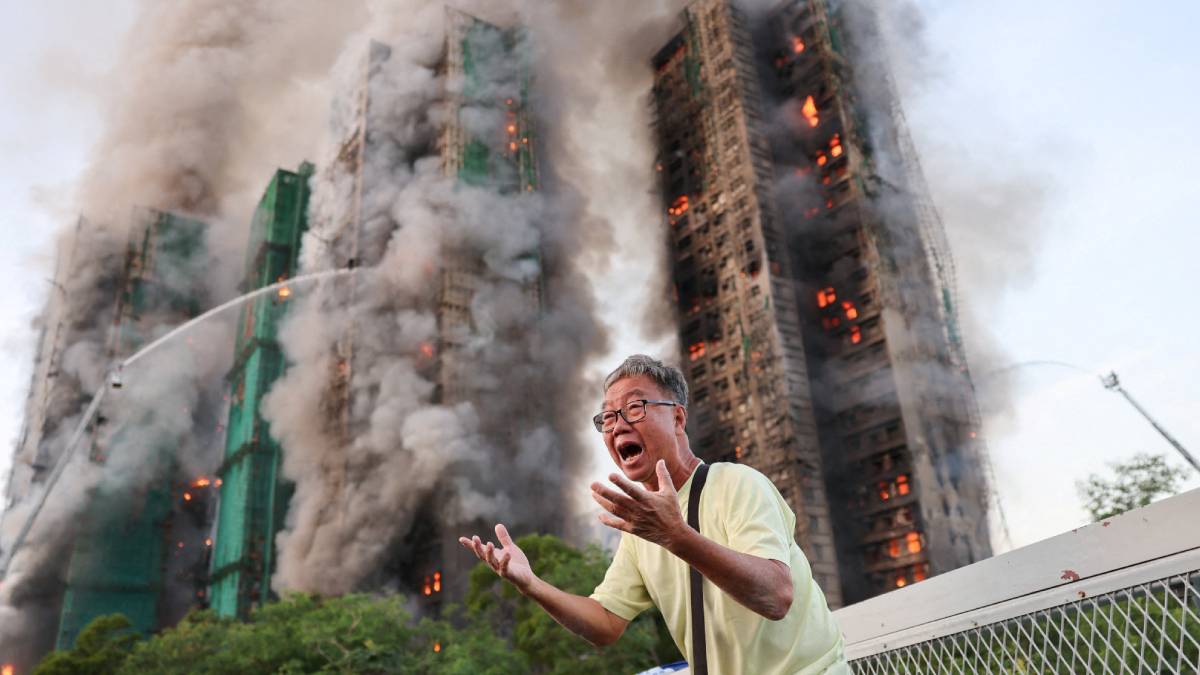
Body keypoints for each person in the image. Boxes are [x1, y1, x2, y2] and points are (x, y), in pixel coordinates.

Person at [460, 354, 848, 674]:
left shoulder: (738, 484)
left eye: (634, 407)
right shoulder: (641, 531)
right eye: (608, 418)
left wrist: (675, 536)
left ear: (678, 418)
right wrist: (531, 585)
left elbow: (776, 595)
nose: (618, 425)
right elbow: (606, 624)